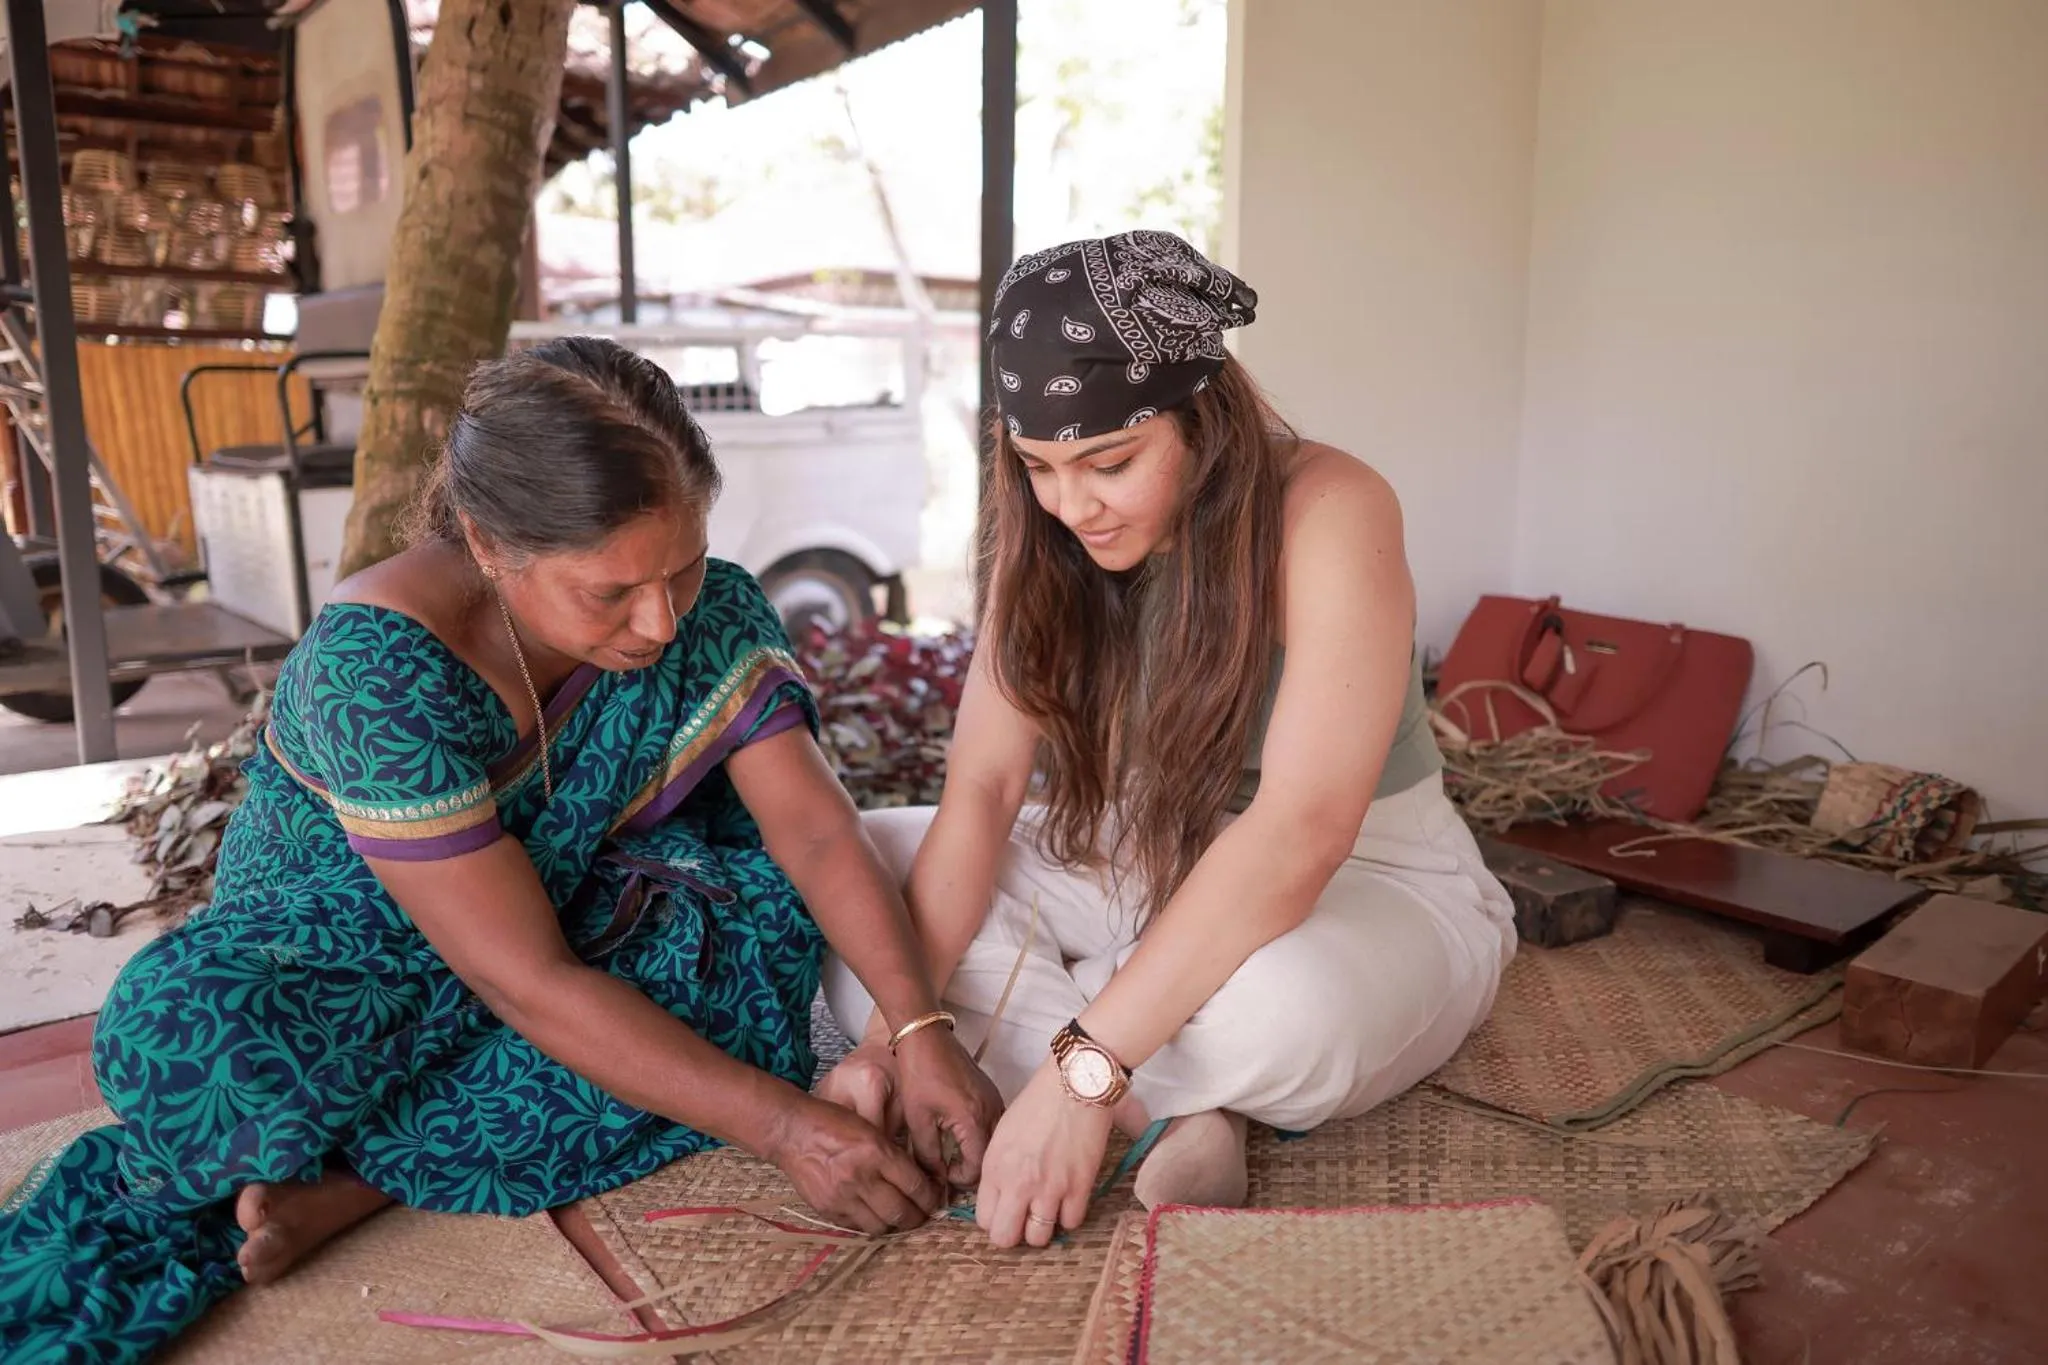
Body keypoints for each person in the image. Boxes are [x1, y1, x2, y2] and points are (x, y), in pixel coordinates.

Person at [0, 337, 1000, 1363]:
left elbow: (817, 831)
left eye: (683, 567)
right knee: (196, 1040)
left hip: (566, 935)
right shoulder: (377, 669)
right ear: (485, 541)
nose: (660, 621)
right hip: (350, 976)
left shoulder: (709, 610)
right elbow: (522, 979)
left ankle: (353, 1180)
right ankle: (383, 1151)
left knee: (739, 951)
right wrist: (784, 1130)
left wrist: (916, 1029)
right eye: (609, 592)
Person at [820, 230, 1516, 1250]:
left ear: (1203, 416)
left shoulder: (1330, 508)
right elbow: (979, 793)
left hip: (1364, 876)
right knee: (868, 864)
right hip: (1139, 852)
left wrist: (1082, 1077)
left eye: (1108, 463)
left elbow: (1298, 834)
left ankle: (1100, 1092)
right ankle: (1183, 1104)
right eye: (1039, 467)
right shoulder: (1045, 530)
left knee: (1289, 1011)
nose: (1071, 506)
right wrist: (896, 1044)